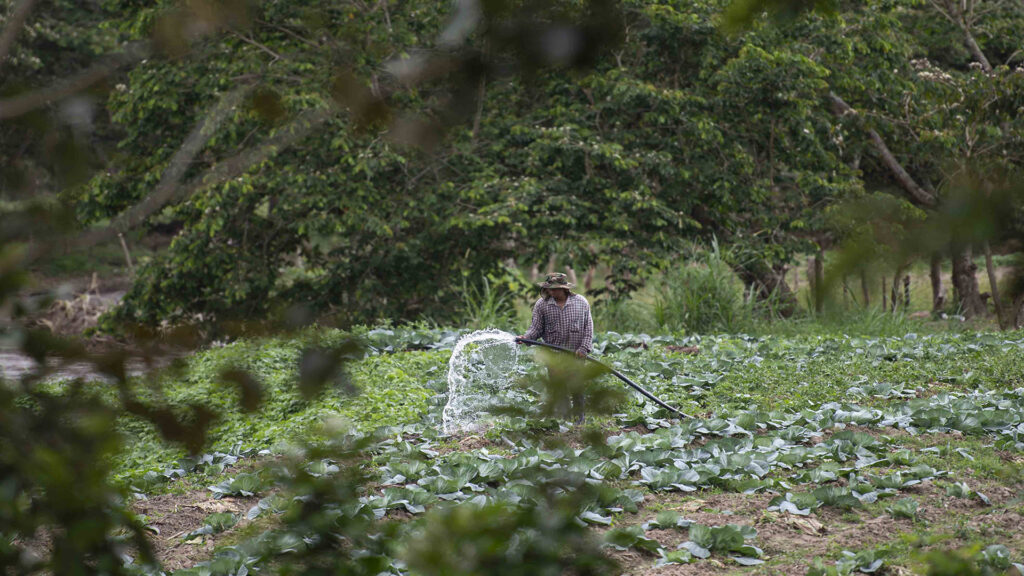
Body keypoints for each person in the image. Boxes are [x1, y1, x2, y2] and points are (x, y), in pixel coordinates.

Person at [518, 272, 594, 423]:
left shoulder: (581, 303)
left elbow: (588, 329)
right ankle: (563, 420)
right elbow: (536, 328)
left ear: (564, 289)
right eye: (549, 289)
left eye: (555, 289)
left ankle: (579, 419)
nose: (551, 292)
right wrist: (526, 338)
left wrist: (584, 349)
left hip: (575, 353)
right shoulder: (542, 305)